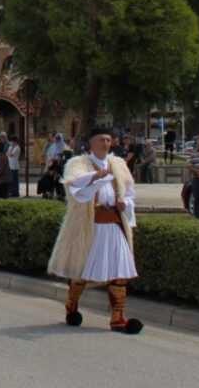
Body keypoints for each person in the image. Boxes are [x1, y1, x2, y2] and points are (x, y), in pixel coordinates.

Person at [47, 127, 142, 335]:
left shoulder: (118, 164)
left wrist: (124, 202)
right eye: (101, 140)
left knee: (120, 271)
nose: (106, 144)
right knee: (82, 269)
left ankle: (117, 317)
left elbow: (130, 191)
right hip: (90, 226)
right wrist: (95, 176)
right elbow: (73, 187)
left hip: (114, 224)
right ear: (91, 143)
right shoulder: (78, 164)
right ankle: (72, 306)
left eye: (108, 140)